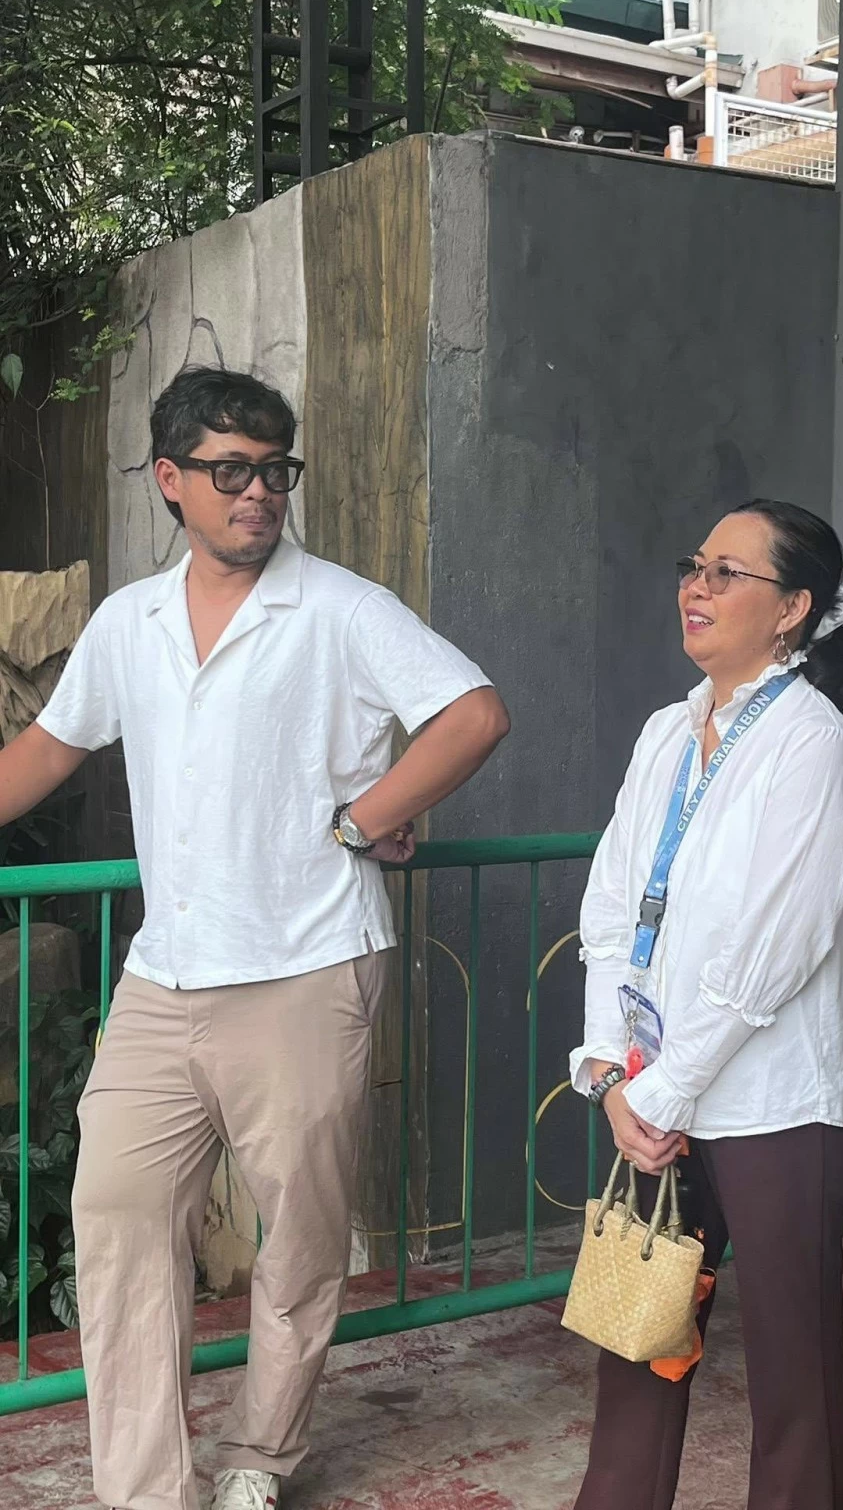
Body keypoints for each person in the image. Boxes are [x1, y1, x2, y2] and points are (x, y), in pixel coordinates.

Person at [0, 365, 509, 1510]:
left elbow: (472, 712)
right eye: (231, 470)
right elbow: (47, 750)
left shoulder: (338, 607)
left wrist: (365, 813)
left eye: (276, 468)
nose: (259, 492)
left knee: (300, 1244)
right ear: (170, 480)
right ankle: (147, 1491)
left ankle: (256, 1456)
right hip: (162, 979)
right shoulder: (127, 621)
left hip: (308, 972)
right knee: (119, 1225)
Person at [569, 499, 843, 1510]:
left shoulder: (812, 743)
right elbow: (611, 912)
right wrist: (614, 1070)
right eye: (692, 565)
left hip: (778, 1105)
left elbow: (771, 954)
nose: (695, 589)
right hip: (656, 1093)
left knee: (795, 1370)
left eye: (726, 574)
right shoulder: (667, 731)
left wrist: (668, 1089)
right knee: (638, 1334)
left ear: (792, 608)